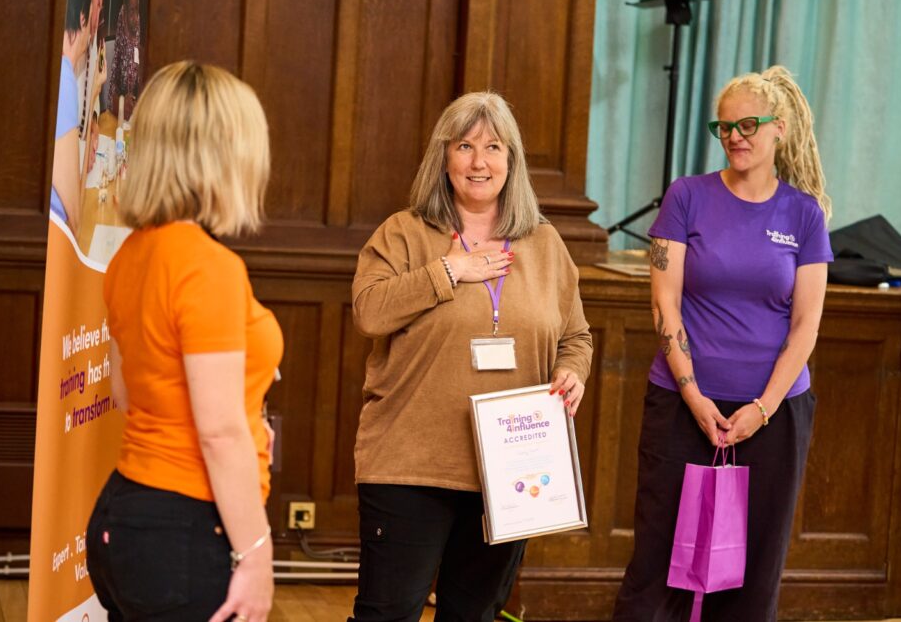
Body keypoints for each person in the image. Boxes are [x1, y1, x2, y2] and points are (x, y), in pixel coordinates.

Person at [350, 91, 593, 622]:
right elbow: (369, 312)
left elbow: (576, 336)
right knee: (386, 614)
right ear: (444, 158)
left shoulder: (545, 244)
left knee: (474, 615)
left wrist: (571, 372)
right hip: (411, 463)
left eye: (493, 147)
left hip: (511, 469)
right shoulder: (405, 232)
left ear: (512, 161)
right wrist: (450, 271)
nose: (479, 162)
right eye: (464, 146)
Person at [612, 65, 833, 621]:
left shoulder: (804, 215)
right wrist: (693, 396)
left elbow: (806, 327)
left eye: (749, 124)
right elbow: (665, 305)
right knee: (657, 565)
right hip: (682, 407)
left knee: (753, 571)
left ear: (778, 129)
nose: (736, 135)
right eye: (725, 127)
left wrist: (761, 409)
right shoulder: (687, 197)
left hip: (774, 416)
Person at [86, 62, 280, 622]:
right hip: (187, 529)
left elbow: (128, 391)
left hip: (123, 519)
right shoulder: (207, 266)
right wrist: (258, 555)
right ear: (222, 154)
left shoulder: (129, 256)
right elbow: (218, 433)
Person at [51, 0, 101, 235]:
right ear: (82, 15)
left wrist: (94, 91)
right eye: (96, 6)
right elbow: (76, 217)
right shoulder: (65, 82)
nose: (97, 21)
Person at [109, 0, 143, 119]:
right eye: (130, 11)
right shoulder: (122, 23)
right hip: (120, 118)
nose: (134, 18)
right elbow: (111, 93)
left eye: (136, 10)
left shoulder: (139, 27)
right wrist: (122, 103)